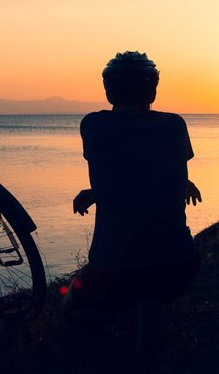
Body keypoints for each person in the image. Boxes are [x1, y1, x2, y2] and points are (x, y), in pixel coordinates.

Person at [63, 51, 201, 338]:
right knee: (150, 280)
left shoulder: (93, 125)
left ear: (109, 91)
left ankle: (121, 306)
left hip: (113, 270)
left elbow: (111, 170)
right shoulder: (175, 126)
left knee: (70, 308)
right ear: (152, 90)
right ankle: (143, 304)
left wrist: (97, 192)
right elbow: (161, 169)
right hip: (180, 266)